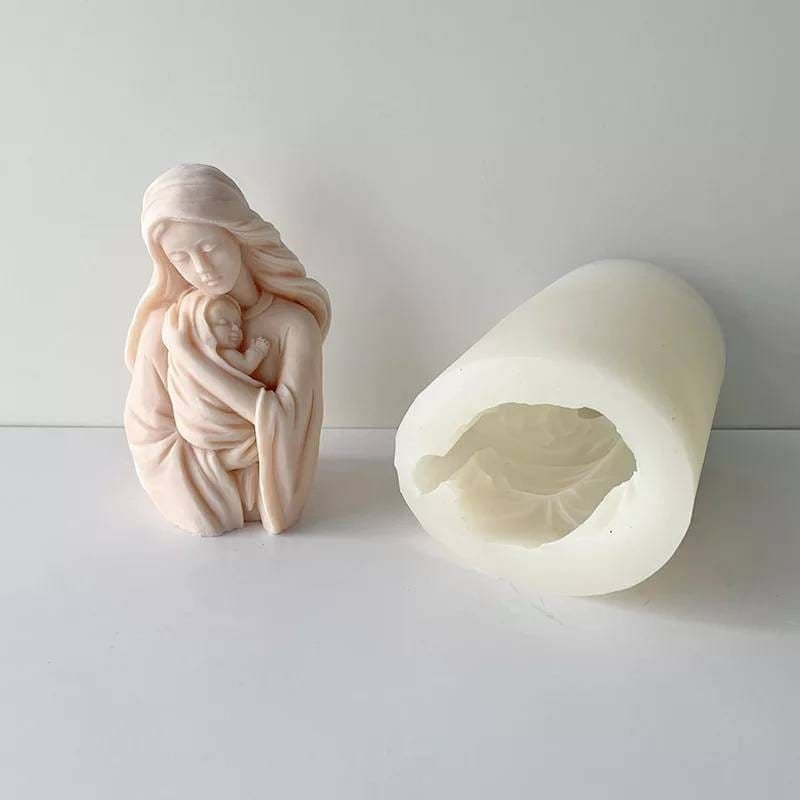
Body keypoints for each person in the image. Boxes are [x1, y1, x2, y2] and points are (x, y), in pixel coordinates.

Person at [125, 164, 331, 535]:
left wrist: (191, 358)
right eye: (181, 258)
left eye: (209, 248)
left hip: (265, 486)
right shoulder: (165, 326)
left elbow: (292, 427)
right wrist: (214, 463)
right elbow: (149, 430)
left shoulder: (294, 326)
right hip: (196, 482)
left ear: (238, 237)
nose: (201, 268)